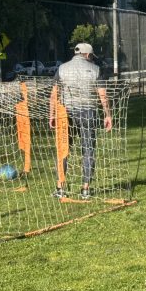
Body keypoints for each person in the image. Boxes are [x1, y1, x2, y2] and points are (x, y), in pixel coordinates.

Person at [50, 43, 112, 200]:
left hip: (65, 112)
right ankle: (85, 188)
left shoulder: (62, 68)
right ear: (88, 55)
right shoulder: (96, 69)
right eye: (91, 56)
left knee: (63, 149)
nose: (92, 58)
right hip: (88, 111)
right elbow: (103, 95)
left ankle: (60, 187)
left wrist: (52, 115)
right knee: (88, 149)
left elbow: (54, 95)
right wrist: (107, 115)